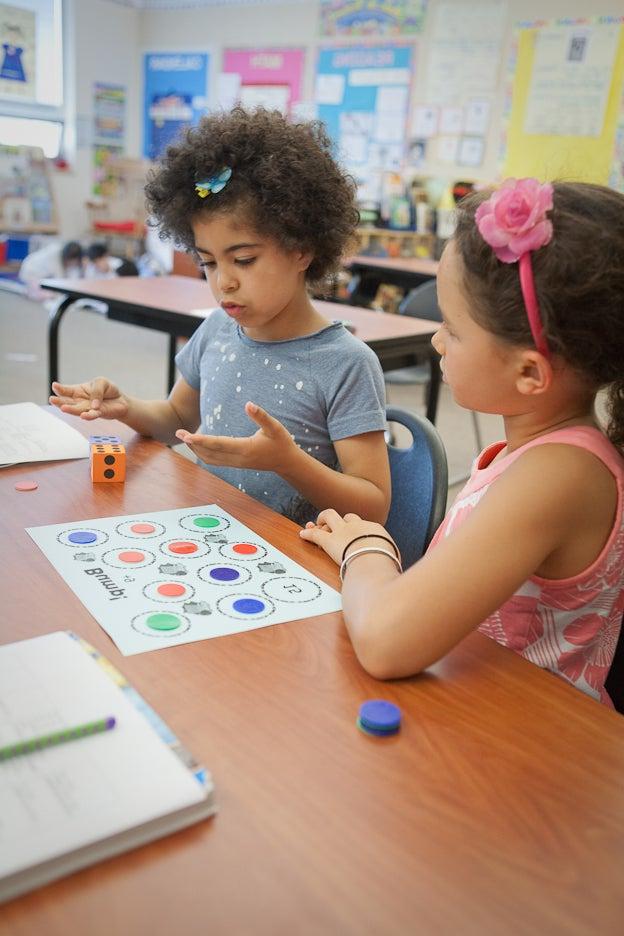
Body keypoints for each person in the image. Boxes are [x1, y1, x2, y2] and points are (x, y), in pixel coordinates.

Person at [301, 178, 624, 706]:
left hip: (529, 747)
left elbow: (385, 643)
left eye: (452, 328)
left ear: (529, 373)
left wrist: (367, 549)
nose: (436, 340)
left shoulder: (560, 474)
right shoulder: (544, 455)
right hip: (474, 714)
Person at [50, 107, 390, 526]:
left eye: (243, 260)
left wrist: (288, 462)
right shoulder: (217, 331)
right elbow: (176, 419)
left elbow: (373, 506)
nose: (223, 282)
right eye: (208, 262)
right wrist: (127, 408)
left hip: (293, 559)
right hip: (212, 534)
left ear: (302, 248)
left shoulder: (345, 363)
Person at [19, 239, 84, 299]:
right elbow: (61, 281)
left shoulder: (62, 254)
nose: (74, 265)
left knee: (53, 293)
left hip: (38, 273)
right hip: (30, 272)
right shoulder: (55, 256)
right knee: (51, 295)